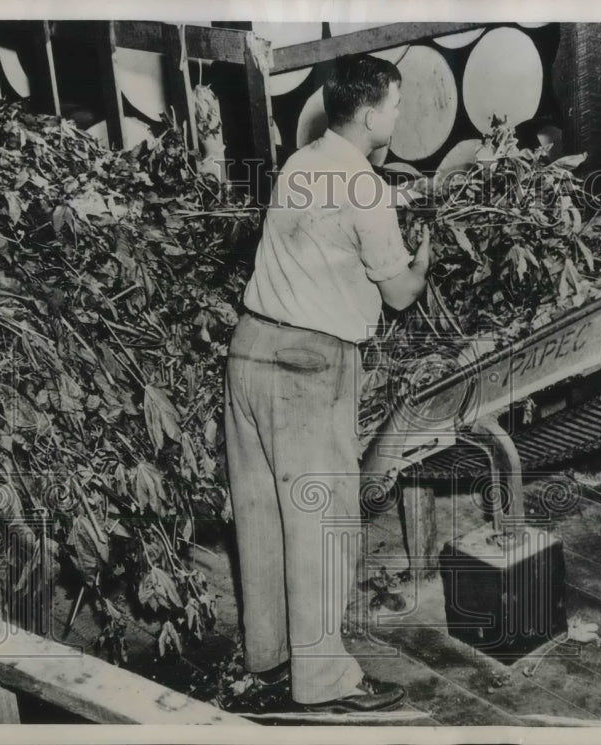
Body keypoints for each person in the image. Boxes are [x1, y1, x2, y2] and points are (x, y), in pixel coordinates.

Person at [223, 55, 431, 713]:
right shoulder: (365, 188)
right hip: (306, 371)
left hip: (249, 351)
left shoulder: (300, 161)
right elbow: (398, 294)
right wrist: (422, 260)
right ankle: (324, 682)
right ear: (371, 114)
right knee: (320, 524)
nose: (398, 116)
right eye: (396, 105)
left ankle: (271, 661)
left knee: (263, 520)